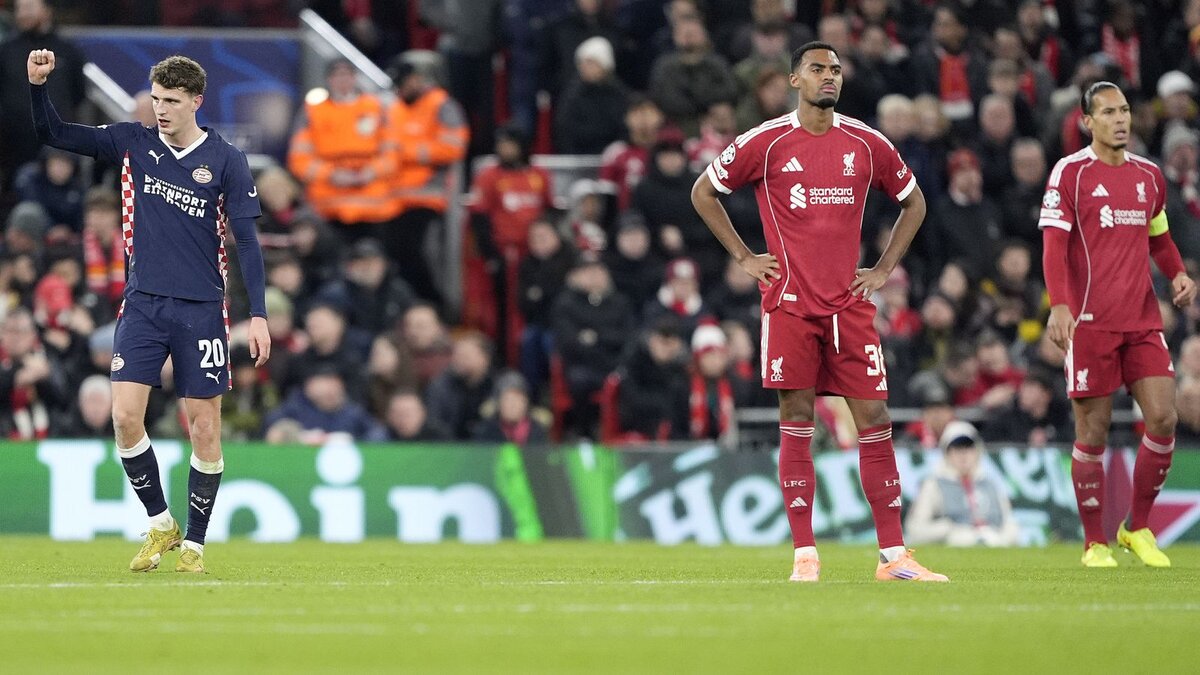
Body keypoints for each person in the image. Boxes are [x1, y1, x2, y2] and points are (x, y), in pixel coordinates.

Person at [691, 42, 947, 582]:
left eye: (835, 70)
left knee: (875, 418)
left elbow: (915, 202)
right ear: (794, 79)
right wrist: (742, 255)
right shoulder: (765, 141)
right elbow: (703, 192)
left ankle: (893, 556)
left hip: (849, 308)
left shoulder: (866, 142)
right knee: (797, 421)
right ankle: (805, 554)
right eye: (817, 69)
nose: (829, 77)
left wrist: (882, 270)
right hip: (789, 307)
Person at [28, 51, 271, 574]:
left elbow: (248, 243)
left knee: (203, 428)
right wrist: (38, 87)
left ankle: (196, 546)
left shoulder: (226, 160)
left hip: (204, 309)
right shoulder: (132, 142)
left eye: (172, 101)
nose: (160, 109)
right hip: (142, 305)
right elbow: (54, 132)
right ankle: (161, 523)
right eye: (156, 99)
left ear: (196, 102)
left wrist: (260, 315)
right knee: (123, 416)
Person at [1040, 81, 1198, 569]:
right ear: (1088, 121)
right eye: (1108, 112)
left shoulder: (1150, 176)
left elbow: (1160, 237)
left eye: (1125, 110)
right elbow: (1053, 246)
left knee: (1164, 418)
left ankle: (1138, 527)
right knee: (1093, 429)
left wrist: (1177, 273)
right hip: (1090, 324)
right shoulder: (1070, 174)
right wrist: (1060, 305)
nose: (1120, 119)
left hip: (1142, 321)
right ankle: (1094, 543)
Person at [905, 421, 1020, 548]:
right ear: (947, 453)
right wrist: (949, 530)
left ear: (977, 451)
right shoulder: (934, 484)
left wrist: (997, 539)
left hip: (992, 543)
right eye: (957, 449)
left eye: (968, 448)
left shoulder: (990, 483)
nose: (963, 454)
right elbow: (915, 530)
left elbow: (1010, 524)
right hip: (953, 546)